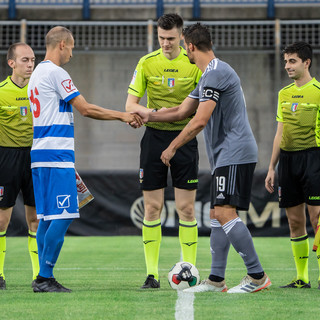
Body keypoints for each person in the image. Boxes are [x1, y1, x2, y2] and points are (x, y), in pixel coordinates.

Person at [135, 22, 271, 294]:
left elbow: (199, 120)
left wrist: (172, 146)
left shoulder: (215, 73)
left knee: (224, 212)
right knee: (215, 214)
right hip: (225, 155)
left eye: (185, 46)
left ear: (191, 46)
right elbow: (181, 111)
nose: (185, 51)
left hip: (235, 152)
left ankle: (257, 277)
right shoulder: (210, 73)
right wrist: (146, 114)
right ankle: (217, 280)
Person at [28, 26, 142, 293]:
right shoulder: (57, 73)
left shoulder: (36, 74)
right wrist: (123, 115)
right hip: (56, 154)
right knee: (64, 215)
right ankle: (45, 277)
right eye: (72, 47)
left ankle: (40, 277)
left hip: (40, 153)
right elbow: (86, 108)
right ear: (62, 45)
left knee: (46, 217)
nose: (72, 53)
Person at [125, 13, 202, 289]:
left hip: (185, 139)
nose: (165, 43)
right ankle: (151, 274)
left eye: (170, 38)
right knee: (152, 208)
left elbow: (194, 110)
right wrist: (149, 113)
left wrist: (150, 113)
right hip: (154, 140)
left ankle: (190, 271)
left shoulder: (193, 65)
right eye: (161, 38)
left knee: (187, 209)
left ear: (181, 37)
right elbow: (130, 106)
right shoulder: (146, 63)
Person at [265, 42, 320, 289]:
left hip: (313, 158)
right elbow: (280, 132)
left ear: (306, 62)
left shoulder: (318, 91)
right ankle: (302, 277)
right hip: (287, 161)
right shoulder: (283, 94)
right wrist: (271, 167)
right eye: (286, 61)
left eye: (292, 61)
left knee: (316, 216)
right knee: (294, 221)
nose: (287, 66)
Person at [0, 43, 39, 290]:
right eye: (25, 60)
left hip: (35, 158)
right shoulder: (1, 91)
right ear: (11, 63)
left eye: (33, 60)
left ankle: (39, 276)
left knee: (35, 219)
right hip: (7, 159)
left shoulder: (40, 89)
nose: (30, 64)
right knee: (1, 221)